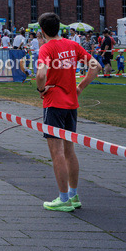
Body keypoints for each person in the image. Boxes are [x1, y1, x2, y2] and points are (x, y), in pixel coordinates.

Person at [35, 12, 100, 212]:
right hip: (71, 104)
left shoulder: (46, 48)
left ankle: (64, 199)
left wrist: (40, 89)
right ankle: (73, 194)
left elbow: (41, 73)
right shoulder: (72, 45)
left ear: (42, 31)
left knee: (57, 153)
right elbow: (95, 66)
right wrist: (79, 87)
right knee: (69, 151)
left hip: (54, 103)